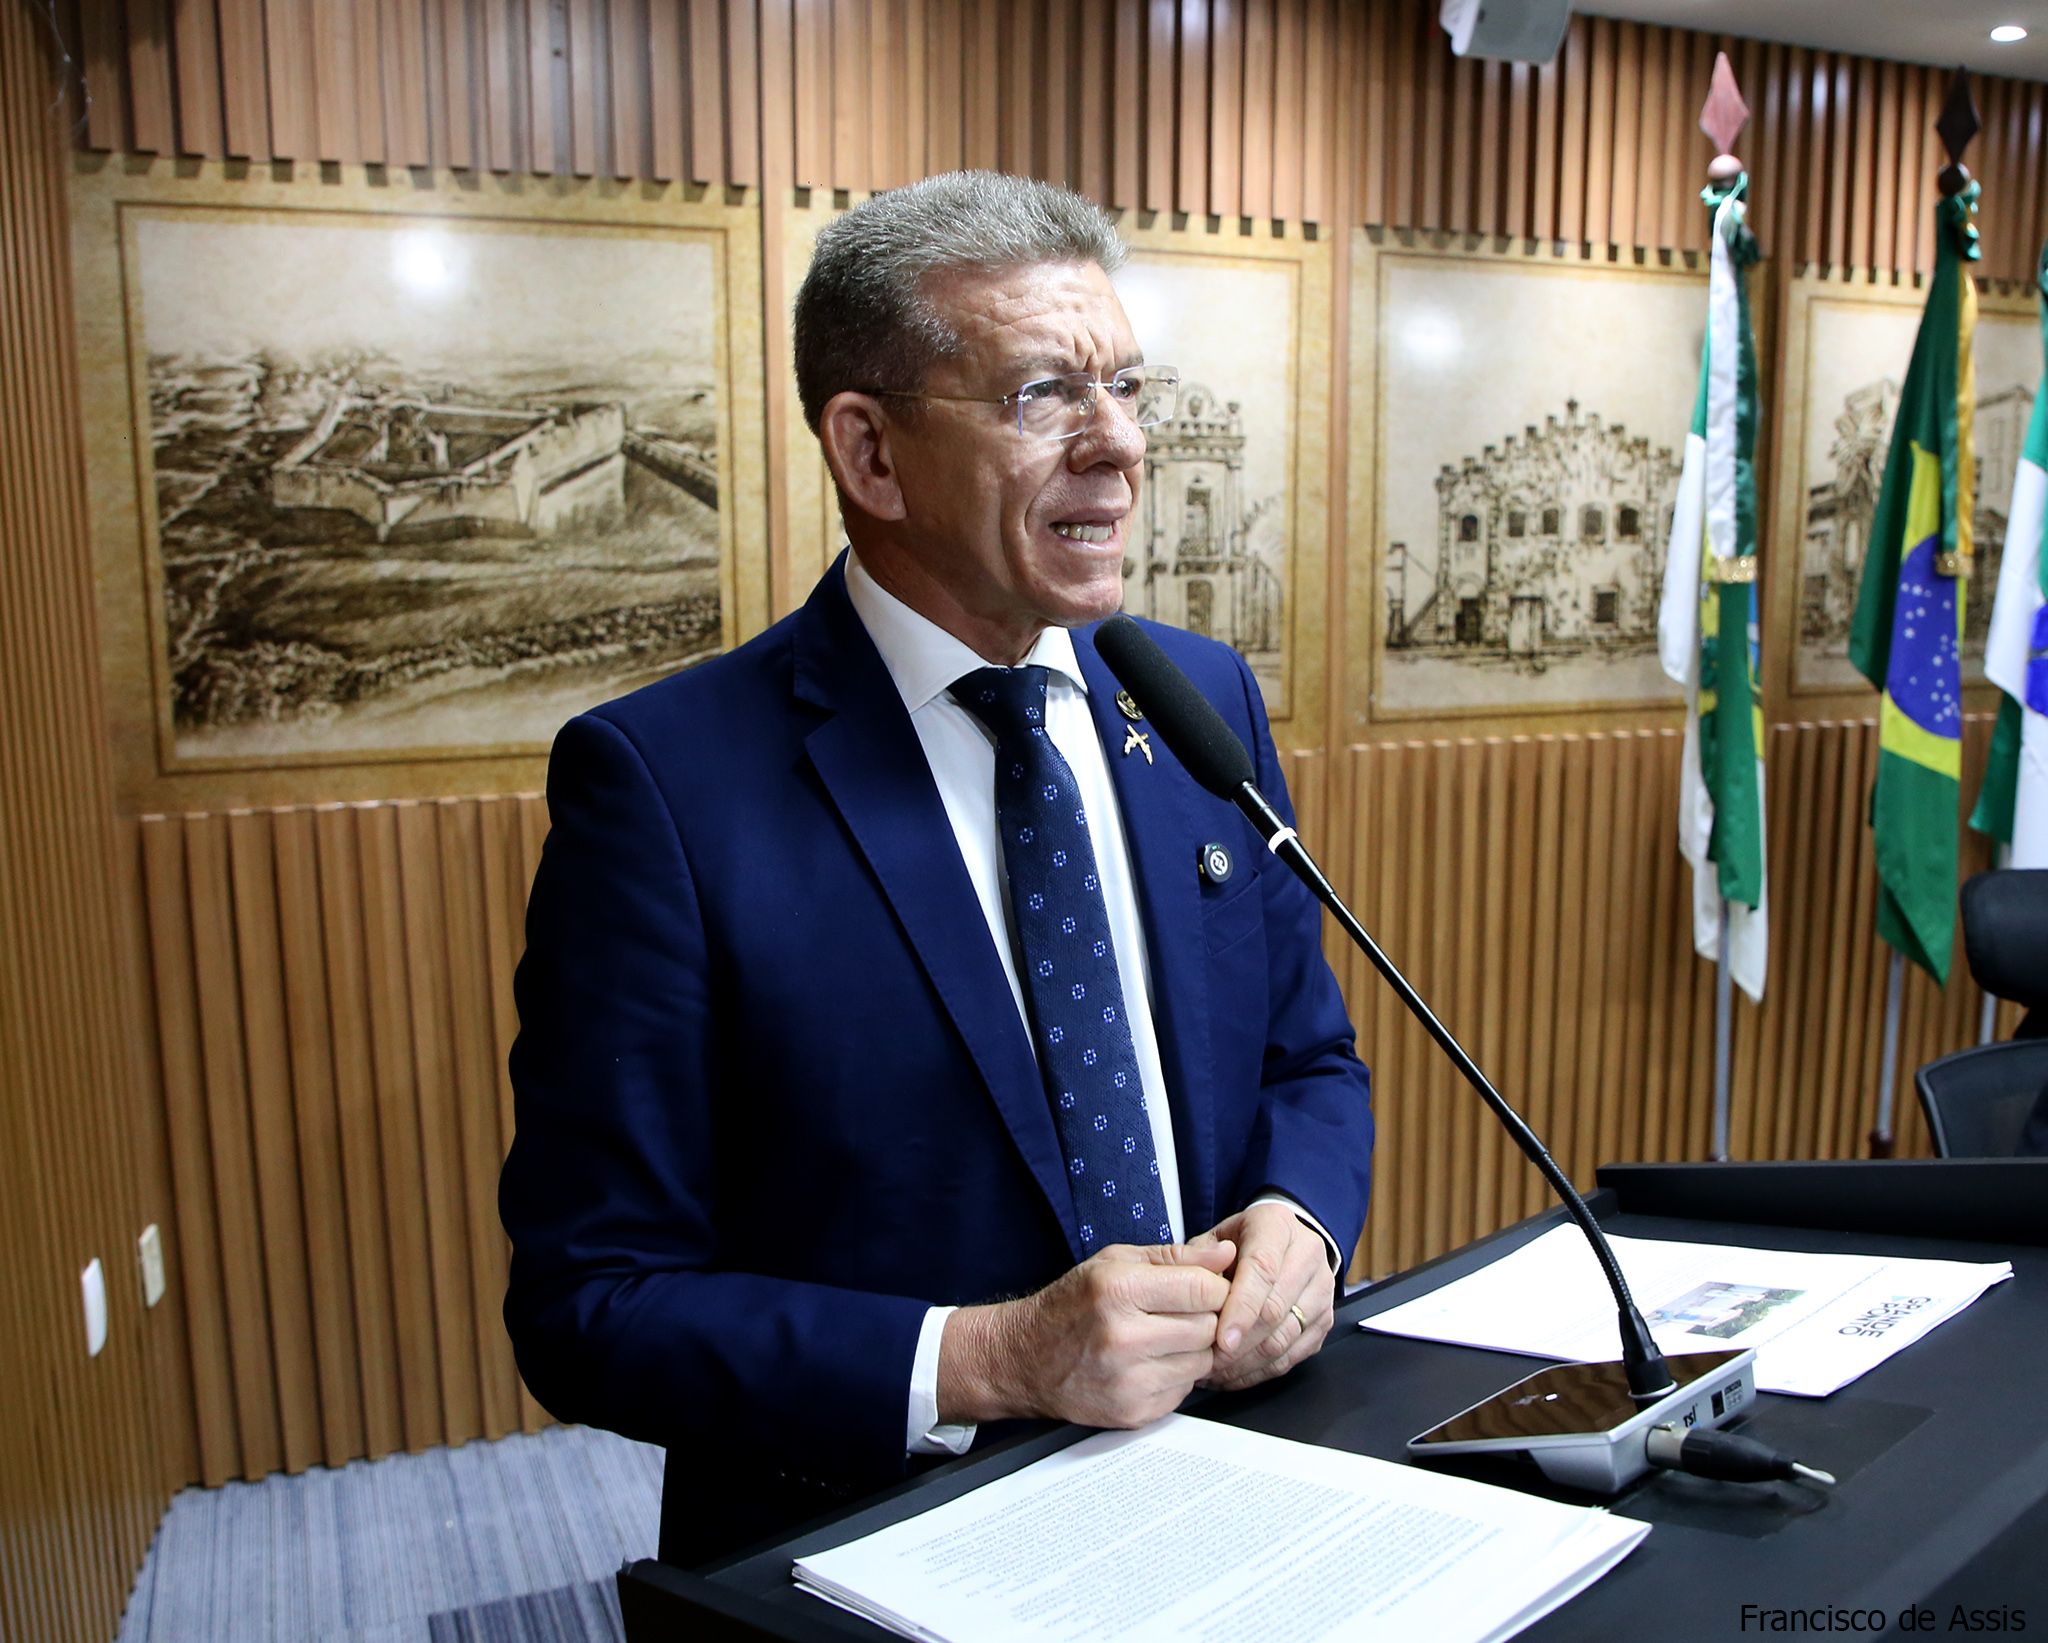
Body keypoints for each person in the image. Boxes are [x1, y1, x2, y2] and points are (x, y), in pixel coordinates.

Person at [498, 171, 1375, 1568]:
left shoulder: (1195, 699)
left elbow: (1306, 1061)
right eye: (1043, 395)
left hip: (1224, 1483)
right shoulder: (663, 788)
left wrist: (1301, 1224)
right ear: (871, 452)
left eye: (1126, 388)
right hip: (876, 1541)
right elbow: (590, 1305)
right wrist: (992, 1358)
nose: (1118, 445)